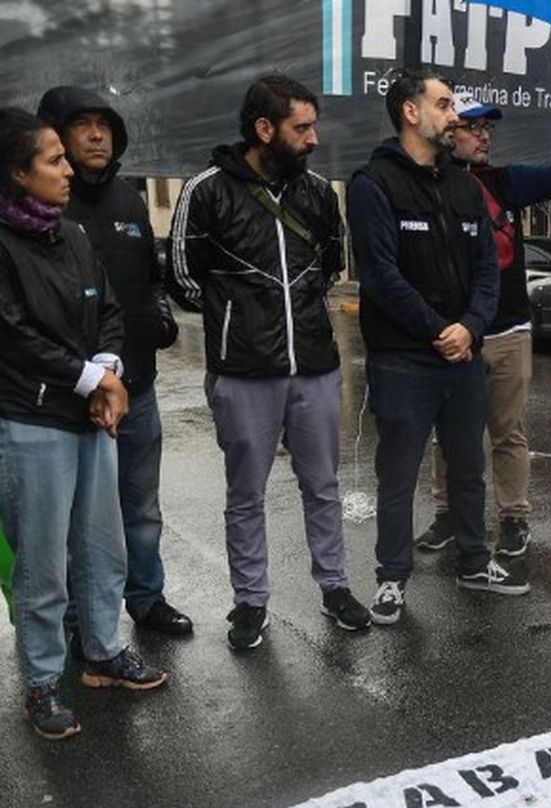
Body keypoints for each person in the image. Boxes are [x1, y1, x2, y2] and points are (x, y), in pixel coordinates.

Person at [170, 75, 368, 649]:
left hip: (314, 366)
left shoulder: (316, 194)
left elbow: (331, 263)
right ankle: (250, 603)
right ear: (264, 129)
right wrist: (240, 317)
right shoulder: (206, 190)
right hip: (242, 372)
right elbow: (183, 276)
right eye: (301, 127)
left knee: (323, 486)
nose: (313, 139)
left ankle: (334, 587)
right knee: (245, 495)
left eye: (314, 126)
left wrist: (293, 317)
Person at [0, 107, 168, 740]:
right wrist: (92, 379)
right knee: (42, 566)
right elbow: (11, 335)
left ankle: (102, 654)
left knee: (103, 547)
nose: (67, 168)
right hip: (32, 420)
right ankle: (42, 682)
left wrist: (109, 369)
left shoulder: (71, 234)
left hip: (92, 414)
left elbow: (108, 310)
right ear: (17, 174)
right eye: (52, 160)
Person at [415, 95, 551, 558]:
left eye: (488, 128)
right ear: (449, 132)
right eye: (474, 127)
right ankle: (447, 514)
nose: (484, 135)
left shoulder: (506, 183)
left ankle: (514, 519)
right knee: (449, 434)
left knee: (508, 432)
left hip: (509, 332)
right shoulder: (430, 187)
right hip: (456, 337)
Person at [347, 70, 517, 622]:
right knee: (398, 472)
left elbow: (488, 272)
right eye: (444, 105)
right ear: (411, 113)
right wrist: (437, 330)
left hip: (464, 355)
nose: (455, 116)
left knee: (468, 466)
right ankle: (392, 577)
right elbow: (379, 275)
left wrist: (469, 326)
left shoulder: (466, 187)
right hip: (403, 359)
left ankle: (474, 559)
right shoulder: (373, 184)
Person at [36, 86, 190, 637]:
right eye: (83, 125)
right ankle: (77, 621)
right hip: (70, 393)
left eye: (105, 124)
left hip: (138, 387)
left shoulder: (128, 200)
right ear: (56, 134)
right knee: (77, 519)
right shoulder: (44, 204)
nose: (97, 134)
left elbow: (150, 278)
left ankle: (146, 600)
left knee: (140, 508)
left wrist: (159, 315)